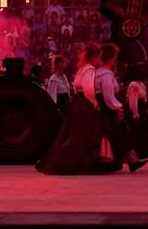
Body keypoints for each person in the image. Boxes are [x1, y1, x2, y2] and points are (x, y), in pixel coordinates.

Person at [37, 43, 106, 175]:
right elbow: (88, 89)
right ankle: (65, 163)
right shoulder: (90, 69)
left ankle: (67, 162)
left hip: (77, 104)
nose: (100, 60)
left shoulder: (82, 69)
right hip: (85, 104)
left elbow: (75, 88)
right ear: (95, 56)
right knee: (80, 136)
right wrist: (95, 103)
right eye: (99, 57)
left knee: (75, 135)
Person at [94, 44, 143, 173]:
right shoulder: (106, 75)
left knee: (121, 133)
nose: (116, 60)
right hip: (108, 108)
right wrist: (118, 108)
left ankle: (132, 161)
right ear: (110, 58)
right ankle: (121, 161)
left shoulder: (99, 73)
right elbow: (108, 96)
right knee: (119, 134)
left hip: (104, 107)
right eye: (115, 57)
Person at [125, 79, 148, 160]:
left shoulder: (141, 84)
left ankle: (145, 152)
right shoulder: (134, 85)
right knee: (137, 132)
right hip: (138, 109)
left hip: (142, 108)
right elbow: (133, 101)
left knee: (143, 131)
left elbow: (144, 97)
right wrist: (135, 114)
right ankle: (138, 153)